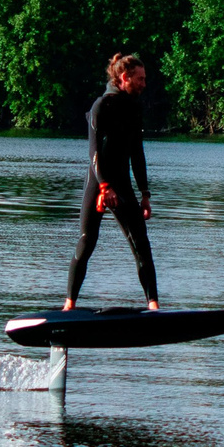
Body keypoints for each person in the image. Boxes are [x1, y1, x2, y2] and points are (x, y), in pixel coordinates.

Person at [64, 52, 160, 312]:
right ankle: (69, 305)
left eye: (144, 78)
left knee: (141, 243)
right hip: (98, 182)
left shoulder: (134, 108)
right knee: (87, 240)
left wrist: (145, 193)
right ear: (124, 77)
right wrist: (104, 186)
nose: (144, 83)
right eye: (139, 79)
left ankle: (153, 306)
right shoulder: (101, 106)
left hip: (123, 184)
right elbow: (94, 152)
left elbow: (137, 154)